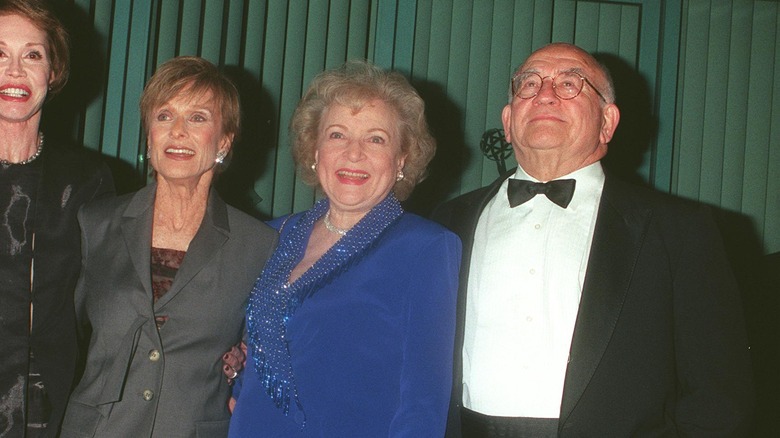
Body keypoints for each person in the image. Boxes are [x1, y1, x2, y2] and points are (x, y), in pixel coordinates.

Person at [432, 42, 754, 437]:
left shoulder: (680, 231)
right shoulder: (445, 224)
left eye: (570, 83)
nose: (545, 94)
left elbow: (718, 397)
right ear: (508, 120)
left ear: (607, 122)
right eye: (528, 85)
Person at [228, 60, 461, 437]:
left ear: (401, 159)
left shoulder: (427, 248)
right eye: (337, 135)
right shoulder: (269, 236)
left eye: (376, 139)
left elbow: (424, 400)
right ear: (314, 151)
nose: (354, 153)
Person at [59, 56, 277, 438]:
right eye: (164, 116)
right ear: (149, 136)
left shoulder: (258, 245)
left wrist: (242, 369)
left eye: (198, 118)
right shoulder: (95, 223)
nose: (178, 131)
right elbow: (57, 338)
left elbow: (270, 354)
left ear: (224, 140)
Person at [0, 1, 114, 436]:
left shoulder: (88, 180)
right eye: (0, 53)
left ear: (53, 71)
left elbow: (114, 297)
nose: (15, 71)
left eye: (32, 54)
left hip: (54, 406)